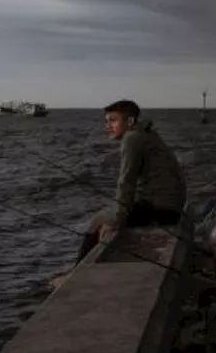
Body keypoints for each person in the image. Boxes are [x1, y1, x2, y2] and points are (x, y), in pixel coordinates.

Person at [74, 99, 188, 262]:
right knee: (106, 216)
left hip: (159, 211)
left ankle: (75, 273)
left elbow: (126, 183)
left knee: (97, 221)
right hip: (170, 208)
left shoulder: (132, 138)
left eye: (113, 120)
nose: (108, 125)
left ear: (130, 121)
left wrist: (118, 220)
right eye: (106, 121)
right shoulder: (147, 133)